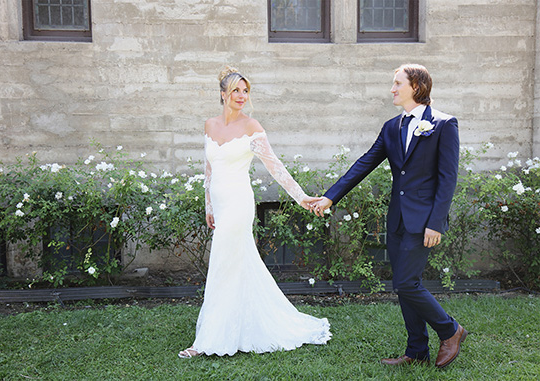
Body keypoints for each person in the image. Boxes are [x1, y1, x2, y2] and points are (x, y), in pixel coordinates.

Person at [309, 64, 466, 368]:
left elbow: (448, 178)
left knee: (407, 283)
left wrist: (436, 222)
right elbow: (365, 162)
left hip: (424, 222)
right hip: (397, 219)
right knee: (404, 283)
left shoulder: (445, 125)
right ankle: (417, 349)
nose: (392, 89)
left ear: (417, 87)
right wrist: (331, 196)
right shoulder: (392, 127)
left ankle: (450, 330)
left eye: (397, 84)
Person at [178, 67, 332, 358]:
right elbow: (209, 169)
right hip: (221, 205)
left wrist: (300, 197)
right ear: (223, 94)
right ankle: (239, 324)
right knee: (236, 265)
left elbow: (275, 166)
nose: (241, 96)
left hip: (238, 204)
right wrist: (209, 206)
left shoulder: (252, 127)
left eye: (245, 91)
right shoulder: (210, 125)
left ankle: (207, 341)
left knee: (222, 264)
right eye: (236, 90)